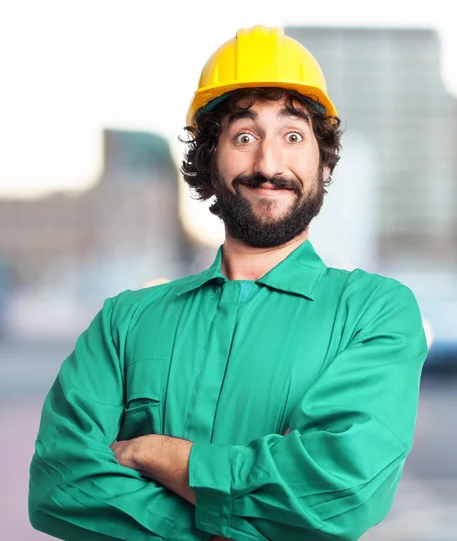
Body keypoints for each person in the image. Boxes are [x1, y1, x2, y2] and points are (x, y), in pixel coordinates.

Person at [28, 25, 428, 541]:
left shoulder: (374, 312)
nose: (268, 163)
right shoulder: (124, 321)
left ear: (324, 162)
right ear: (209, 162)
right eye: (243, 137)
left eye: (292, 136)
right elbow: (59, 487)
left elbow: (340, 488)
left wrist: (160, 454)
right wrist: (243, 519)